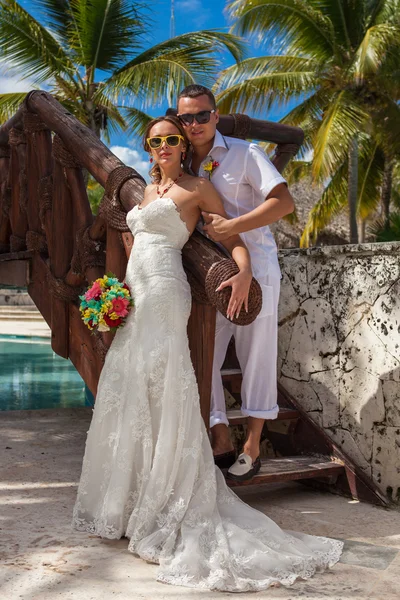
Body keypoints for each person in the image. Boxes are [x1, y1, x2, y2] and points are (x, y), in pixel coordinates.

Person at [73, 115, 343, 592]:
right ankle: (129, 496)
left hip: (166, 293)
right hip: (136, 294)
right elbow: (131, 239)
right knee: (130, 385)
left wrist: (243, 274)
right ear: (149, 146)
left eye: (172, 139)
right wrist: (111, 292)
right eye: (155, 141)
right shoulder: (144, 191)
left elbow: (232, 238)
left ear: (183, 145)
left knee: (162, 381)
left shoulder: (199, 188)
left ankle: (166, 496)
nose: (164, 147)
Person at [177, 84, 294, 481]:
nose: (193, 124)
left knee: (256, 356)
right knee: (204, 355)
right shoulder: (183, 163)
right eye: (185, 117)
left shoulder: (246, 154)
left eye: (200, 115)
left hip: (254, 271)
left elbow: (284, 201)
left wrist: (234, 226)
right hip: (208, 276)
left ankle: (252, 445)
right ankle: (222, 437)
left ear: (215, 114)